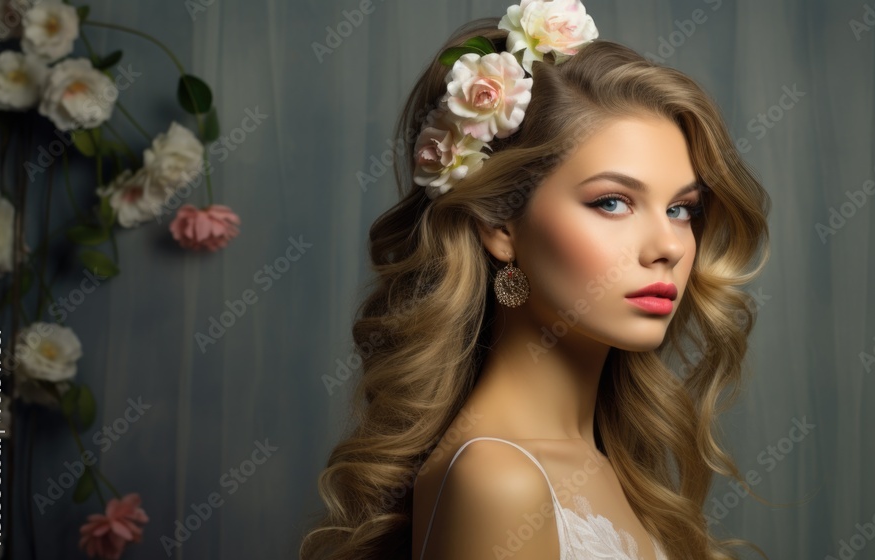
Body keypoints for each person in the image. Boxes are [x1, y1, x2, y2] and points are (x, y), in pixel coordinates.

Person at [301, 1, 770, 558]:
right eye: (613, 201)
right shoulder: (498, 480)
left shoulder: (610, 463)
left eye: (681, 209)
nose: (669, 246)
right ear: (499, 225)